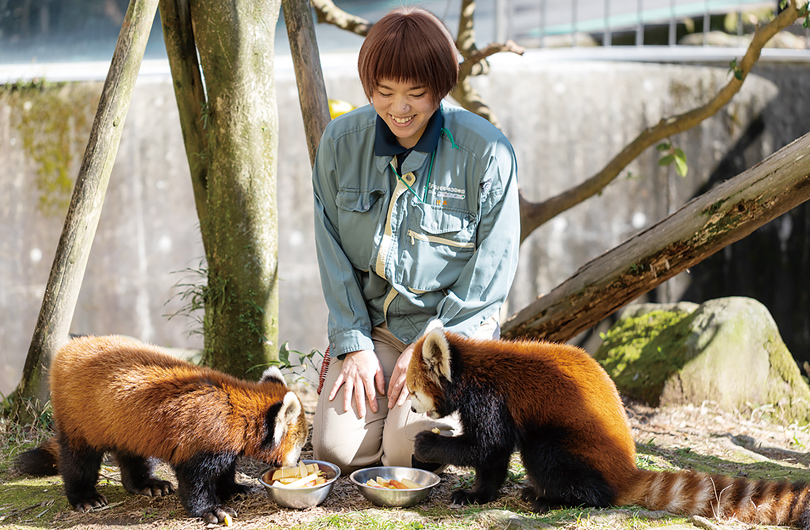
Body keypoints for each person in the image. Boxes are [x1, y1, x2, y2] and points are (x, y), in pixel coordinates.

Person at [310, 5, 520, 474]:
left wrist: (430, 342)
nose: (399, 109)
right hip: (374, 325)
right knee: (335, 455)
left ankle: (418, 425)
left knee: (409, 457)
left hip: (447, 337)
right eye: (384, 92)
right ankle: (365, 390)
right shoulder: (340, 142)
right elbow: (330, 248)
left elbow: (491, 275)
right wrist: (354, 341)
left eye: (416, 94)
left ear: (441, 87)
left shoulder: (487, 153)